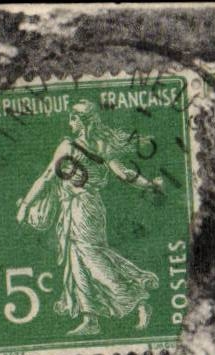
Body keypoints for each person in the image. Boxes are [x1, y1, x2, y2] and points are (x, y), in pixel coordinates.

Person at [16, 101, 162, 337]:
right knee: (78, 261)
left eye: (73, 119)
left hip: (82, 209)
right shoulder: (103, 146)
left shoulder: (67, 145)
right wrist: (150, 184)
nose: (70, 123)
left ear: (82, 121)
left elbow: (46, 177)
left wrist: (25, 204)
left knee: (91, 259)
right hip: (87, 208)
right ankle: (90, 318)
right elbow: (125, 175)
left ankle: (136, 298)